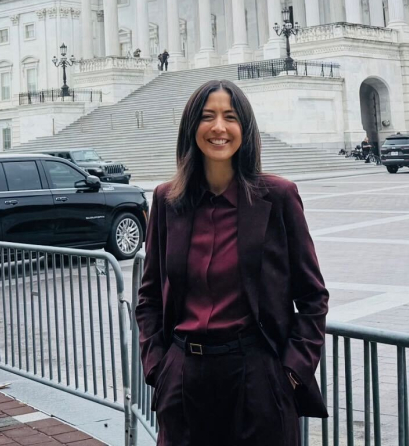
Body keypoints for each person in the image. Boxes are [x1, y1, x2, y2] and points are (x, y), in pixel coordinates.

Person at [135, 80, 328, 445]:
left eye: (230, 117)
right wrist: (158, 366)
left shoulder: (279, 197)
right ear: (192, 127)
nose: (219, 127)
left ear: (245, 129)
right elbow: (149, 297)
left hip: (257, 377)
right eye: (207, 116)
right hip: (183, 377)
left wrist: (290, 372)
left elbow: (313, 296)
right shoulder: (166, 200)